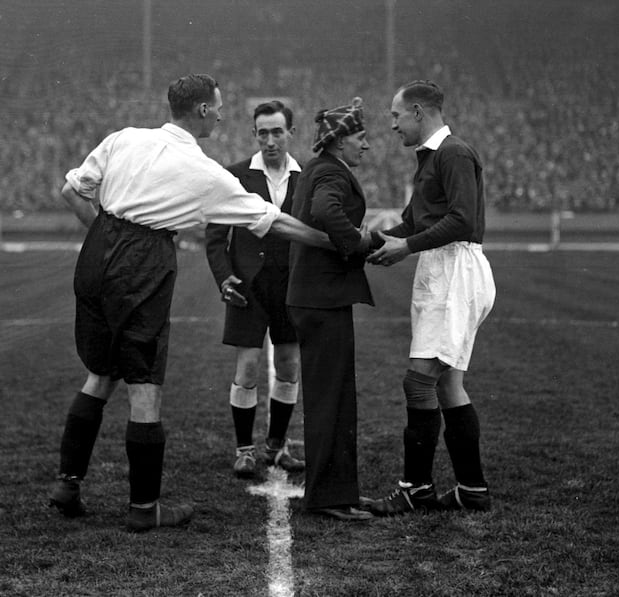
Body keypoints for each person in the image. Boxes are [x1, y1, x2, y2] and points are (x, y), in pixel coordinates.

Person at [49, 74, 332, 533]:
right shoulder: (204, 171)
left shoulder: (125, 138)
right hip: (143, 260)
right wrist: (329, 242)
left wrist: (108, 242)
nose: (221, 114)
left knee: (100, 374)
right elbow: (272, 222)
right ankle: (144, 508)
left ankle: (67, 485)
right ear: (201, 110)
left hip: (98, 252)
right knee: (145, 384)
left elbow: (71, 192)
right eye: (218, 107)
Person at [363, 80, 496, 516]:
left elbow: (461, 219)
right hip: (442, 267)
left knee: (419, 379)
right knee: (446, 382)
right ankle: (471, 490)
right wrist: (369, 242)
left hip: (454, 268)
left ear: (419, 111)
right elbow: (409, 224)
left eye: (396, 116)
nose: (392, 125)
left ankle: (415, 487)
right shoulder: (429, 159)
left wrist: (407, 246)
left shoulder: (453, 152)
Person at [205, 101, 305, 478]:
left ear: (290, 134)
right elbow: (215, 236)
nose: (270, 140)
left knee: (289, 365)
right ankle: (244, 450)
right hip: (248, 288)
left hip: (291, 288)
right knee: (247, 368)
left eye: (277, 132)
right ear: (254, 135)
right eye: (262, 132)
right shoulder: (234, 176)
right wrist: (224, 277)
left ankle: (277, 447)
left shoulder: (306, 177)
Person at [286, 97, 374, 522]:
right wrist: (357, 242)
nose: (367, 146)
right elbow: (324, 211)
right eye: (361, 137)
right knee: (331, 401)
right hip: (322, 299)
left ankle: (339, 493)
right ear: (339, 142)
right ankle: (331, 498)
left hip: (315, 298)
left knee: (332, 398)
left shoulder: (317, 168)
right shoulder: (329, 172)